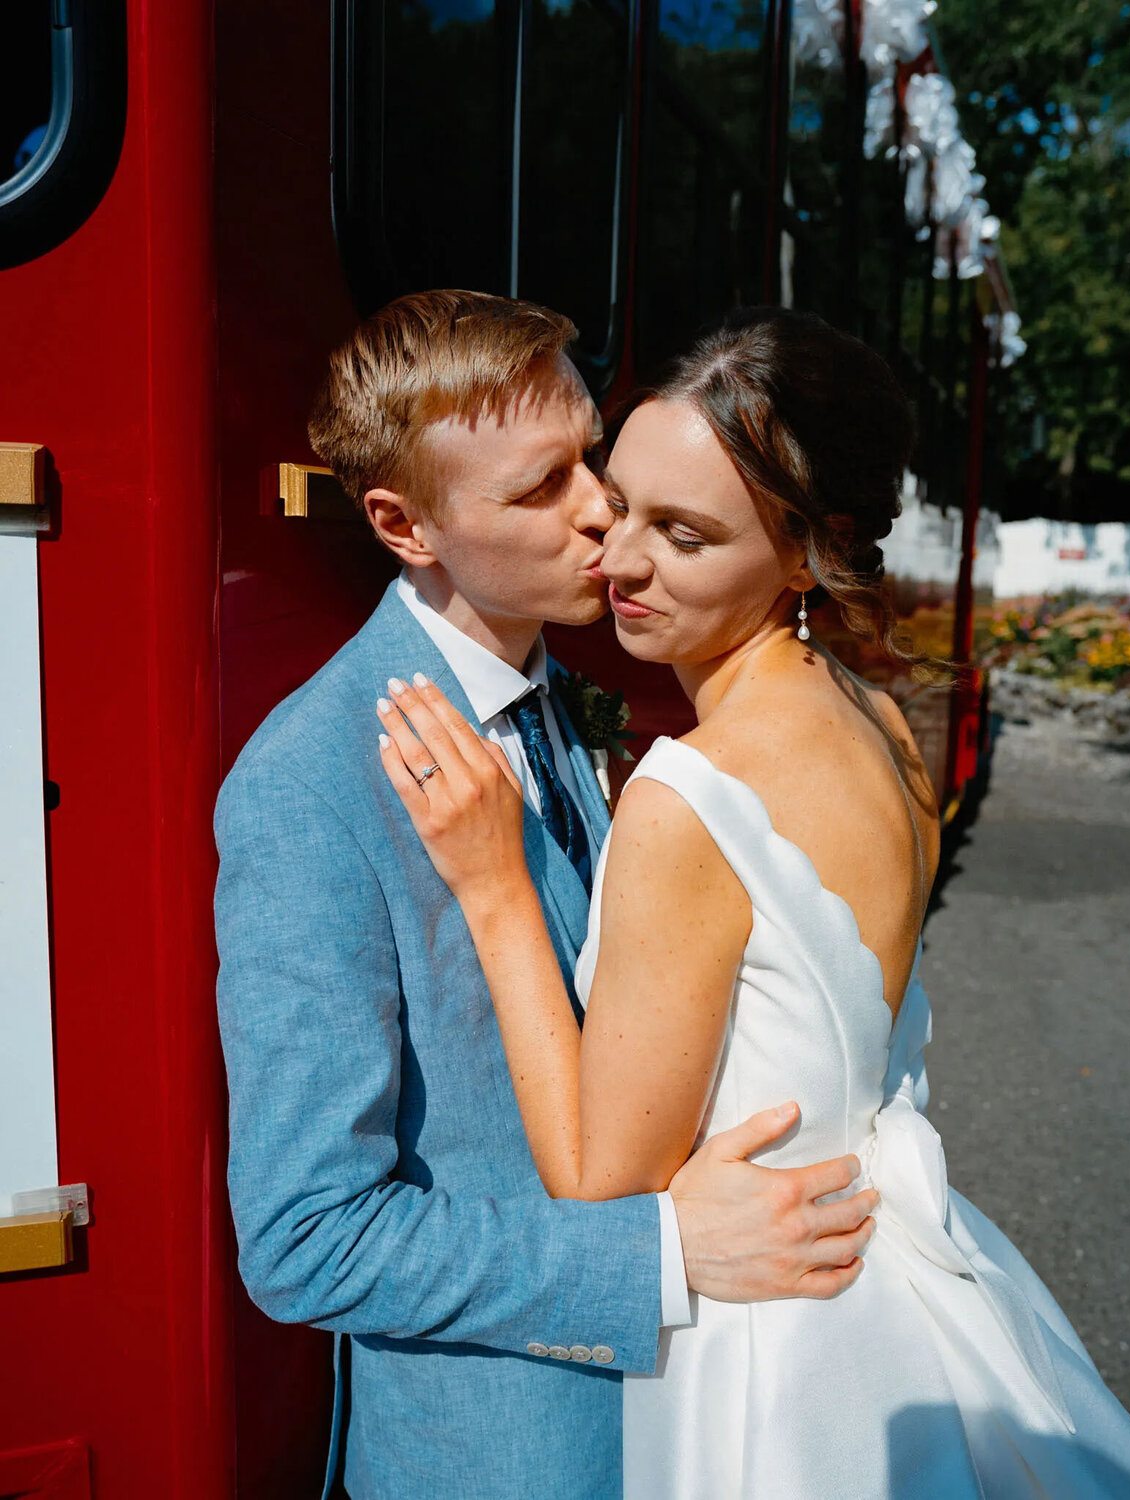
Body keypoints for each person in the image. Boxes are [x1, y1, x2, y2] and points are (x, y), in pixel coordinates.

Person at [376, 306, 1130, 1498]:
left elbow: (602, 1181)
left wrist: (499, 891)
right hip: (902, 1285)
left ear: (810, 552)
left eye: (687, 535)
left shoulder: (686, 806)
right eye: (623, 501)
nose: (619, 558)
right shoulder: (878, 724)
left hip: (768, 1346)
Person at [213, 291, 880, 1500]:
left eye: (591, 456)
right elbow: (305, 1244)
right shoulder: (308, 785)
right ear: (403, 525)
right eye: (539, 489)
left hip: (703, 1425)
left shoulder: (570, 684)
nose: (600, 518)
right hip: (502, 1458)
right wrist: (663, 1251)